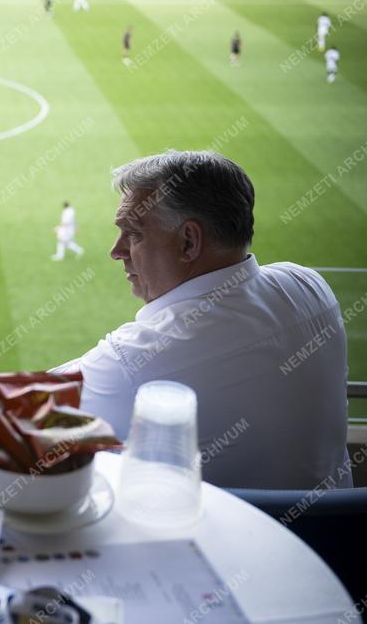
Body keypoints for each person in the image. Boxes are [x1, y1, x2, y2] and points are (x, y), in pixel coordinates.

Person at [52, 151, 350, 490]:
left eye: (133, 233)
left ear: (189, 242)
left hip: (218, 527)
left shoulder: (132, 360)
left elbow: (17, 411)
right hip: (339, 524)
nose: (116, 251)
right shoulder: (310, 286)